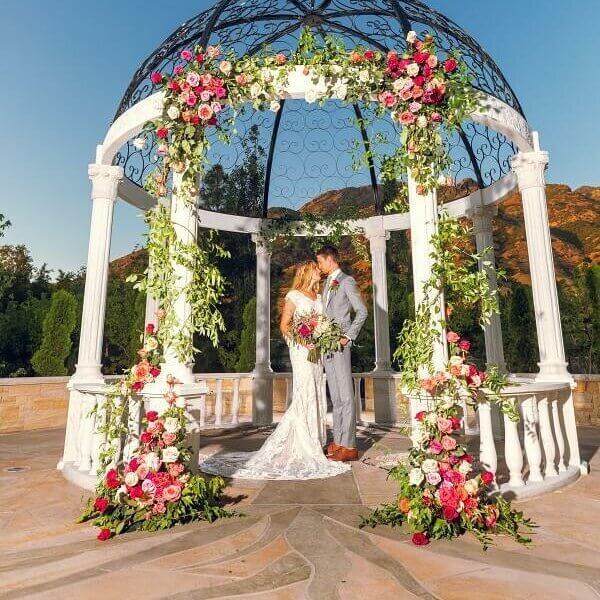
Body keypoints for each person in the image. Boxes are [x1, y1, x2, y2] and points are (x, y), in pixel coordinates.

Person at [198, 261, 350, 480]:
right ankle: (303, 443)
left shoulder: (318, 297)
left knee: (316, 390)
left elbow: (322, 322)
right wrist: (303, 340)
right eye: (316, 268)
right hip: (301, 350)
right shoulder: (294, 295)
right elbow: (284, 325)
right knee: (305, 391)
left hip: (317, 351)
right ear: (307, 272)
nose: (319, 271)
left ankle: (313, 441)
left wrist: (321, 336)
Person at [316, 244, 368, 462]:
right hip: (327, 345)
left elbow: (362, 312)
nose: (319, 266)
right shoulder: (327, 283)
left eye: (320, 261)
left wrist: (348, 336)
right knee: (336, 397)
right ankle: (338, 441)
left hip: (341, 344)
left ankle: (350, 446)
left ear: (330, 260)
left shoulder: (346, 281)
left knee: (346, 396)